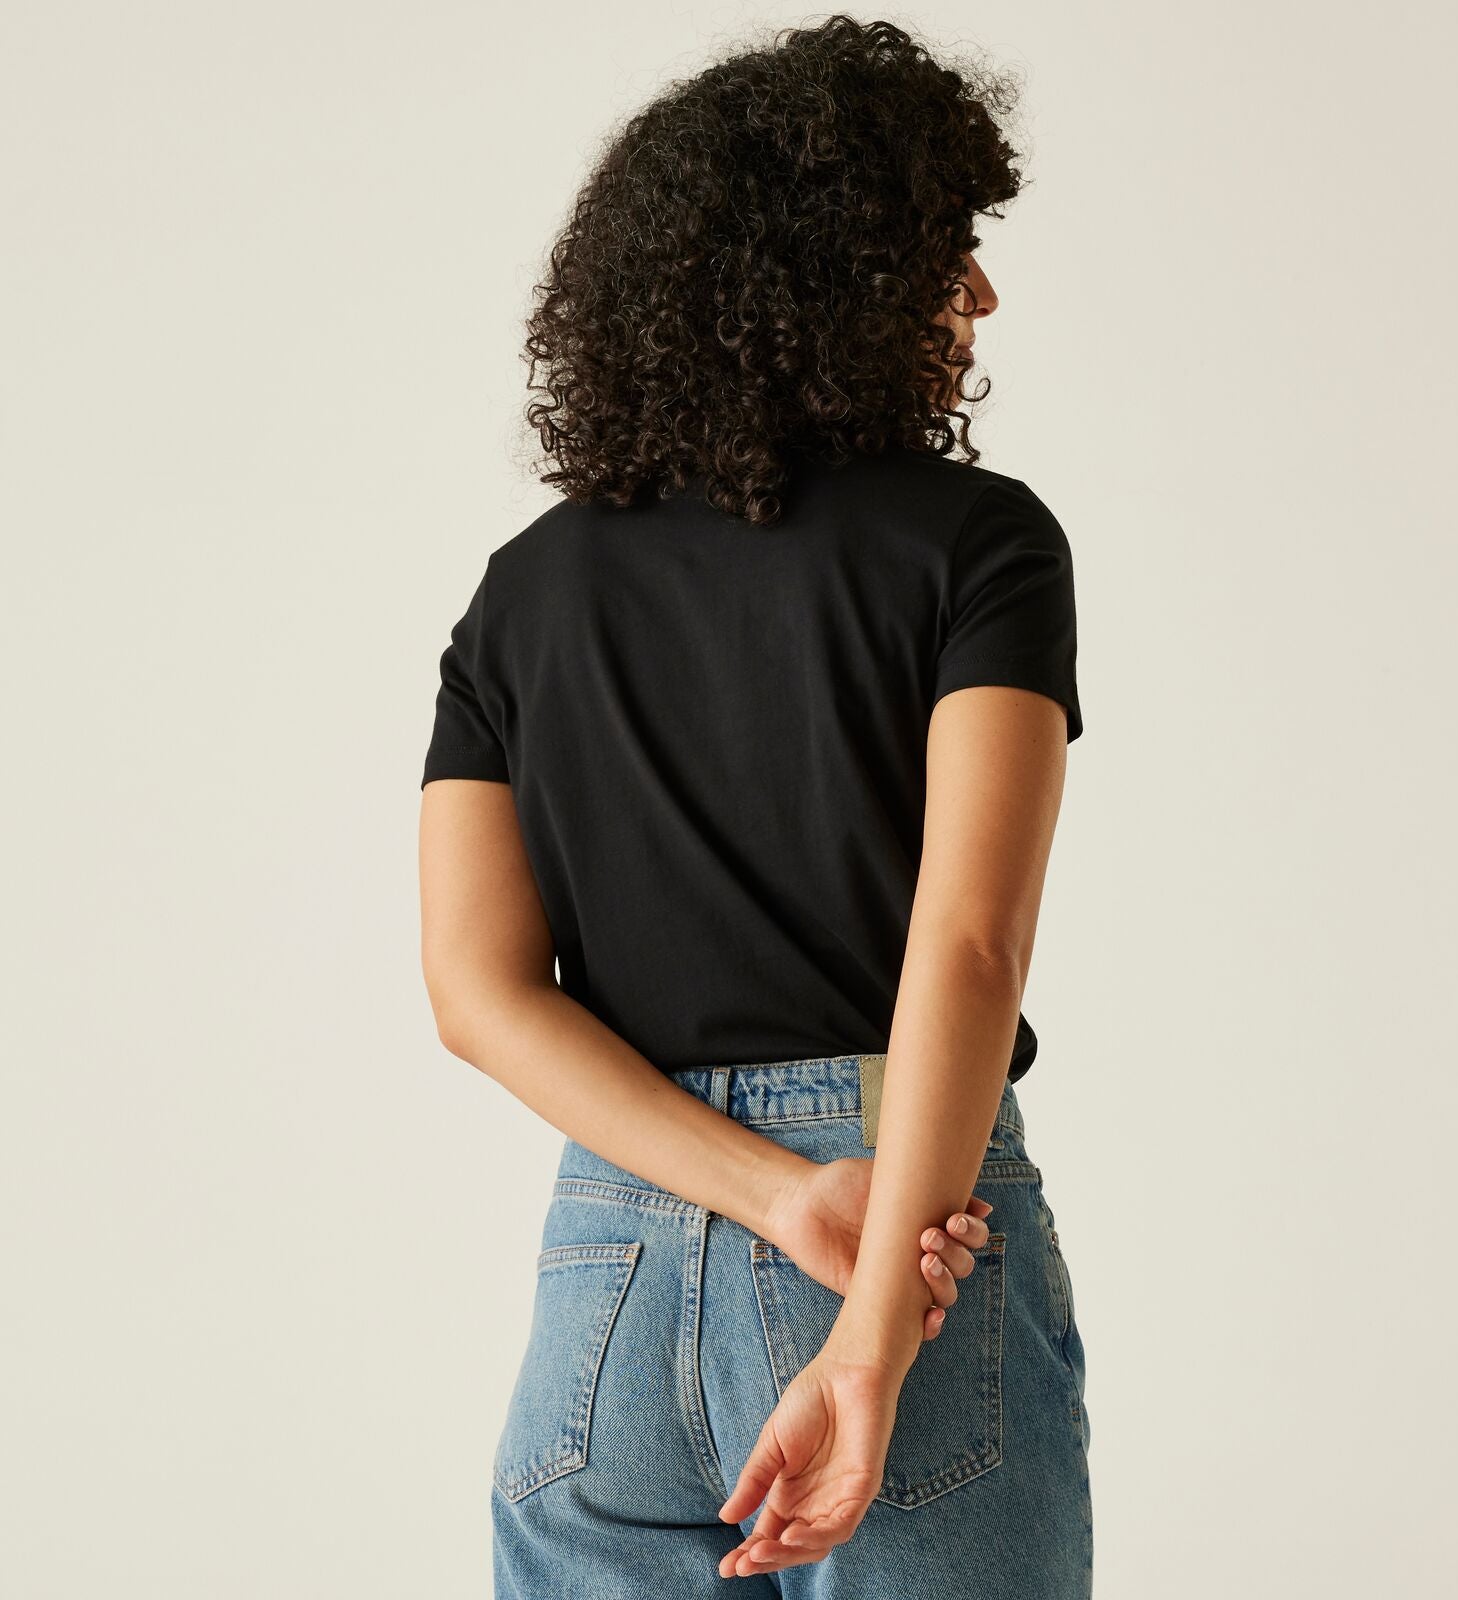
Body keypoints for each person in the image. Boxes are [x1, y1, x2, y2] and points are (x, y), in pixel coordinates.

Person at [418, 16, 1092, 1597]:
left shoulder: (524, 595)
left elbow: (475, 993)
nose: (978, 295)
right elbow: (968, 946)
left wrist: (771, 1194)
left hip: (609, 1273)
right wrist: (867, 1339)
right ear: (838, 279)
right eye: (944, 252)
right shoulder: (980, 548)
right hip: (901, 1223)